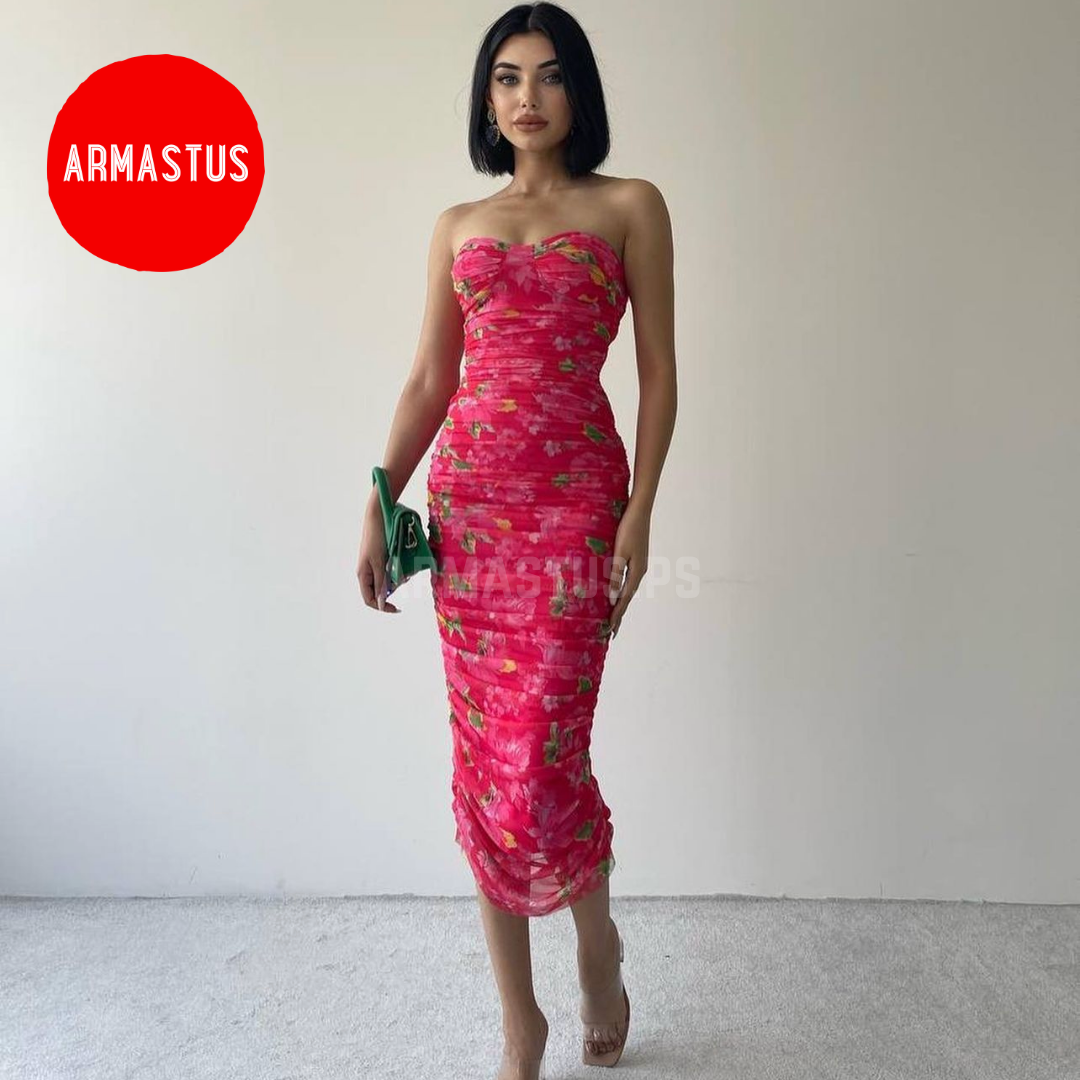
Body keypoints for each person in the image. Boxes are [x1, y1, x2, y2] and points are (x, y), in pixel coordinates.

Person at [356, 4, 676, 1076]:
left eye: (547, 75)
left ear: (579, 90)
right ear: (487, 99)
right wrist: (380, 496)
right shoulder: (458, 223)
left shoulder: (631, 206)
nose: (526, 96)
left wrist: (640, 513)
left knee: (544, 754)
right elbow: (429, 379)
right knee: (489, 762)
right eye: (505, 77)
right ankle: (518, 1022)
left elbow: (660, 374)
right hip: (473, 513)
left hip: (578, 504)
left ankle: (596, 948)